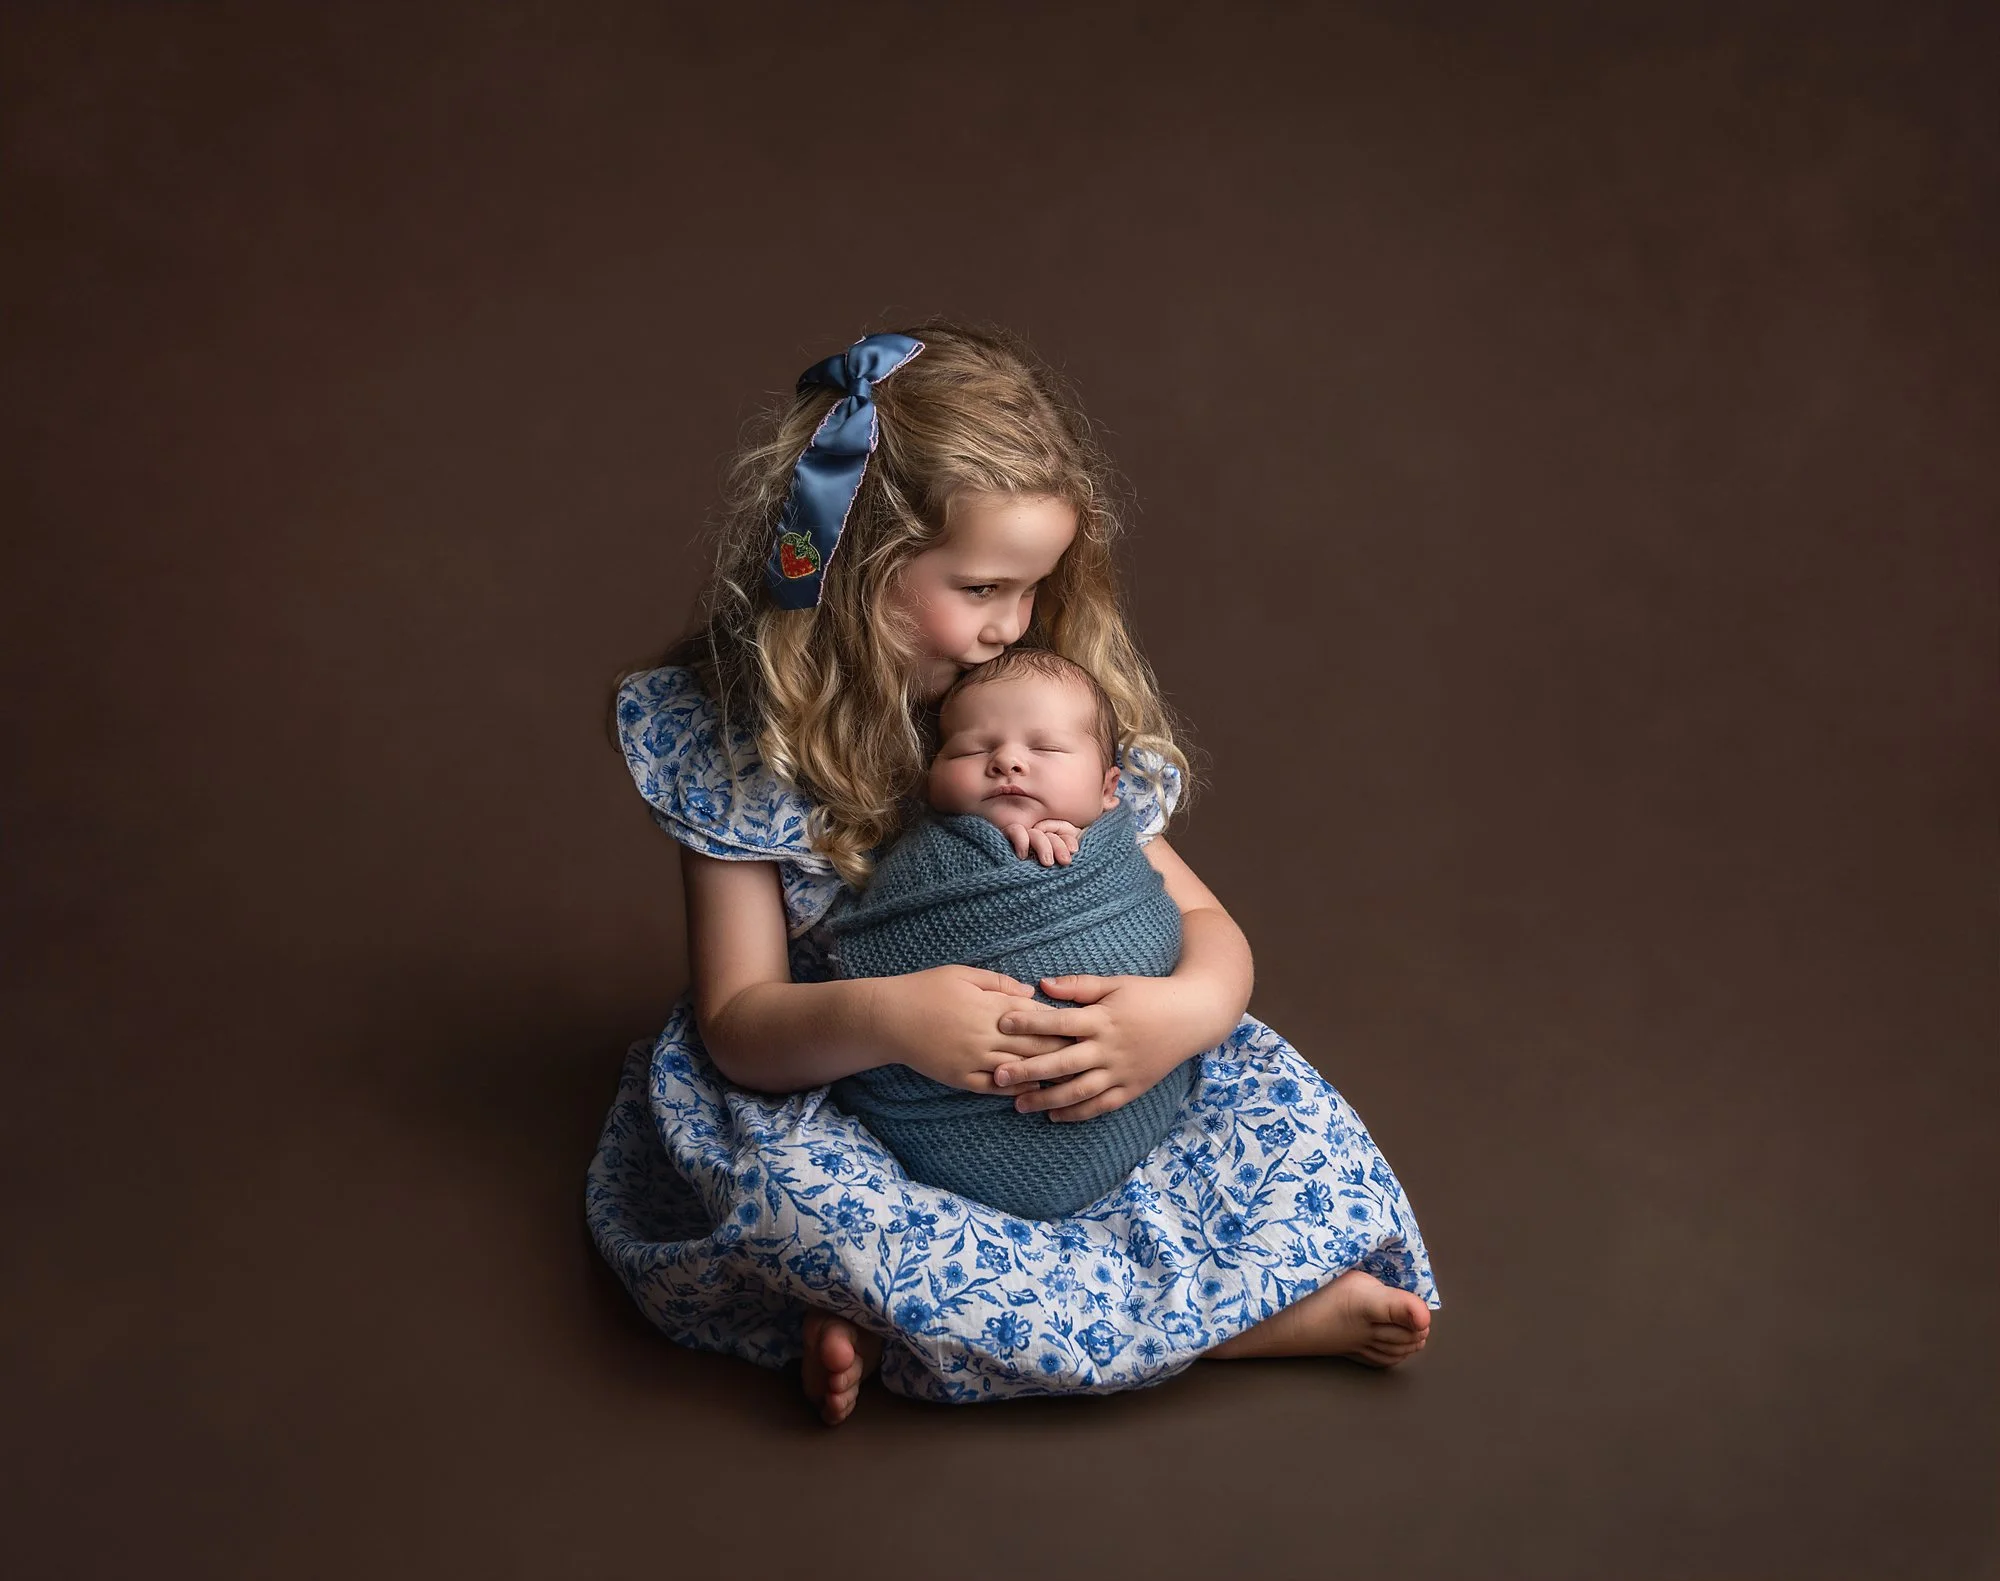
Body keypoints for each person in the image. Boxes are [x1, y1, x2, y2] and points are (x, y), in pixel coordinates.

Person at [585, 321, 1440, 1423]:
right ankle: (1202, 1329)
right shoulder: (744, 746)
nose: (1008, 628)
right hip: (848, 1083)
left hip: (1081, 1070)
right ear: (854, 567)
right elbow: (741, 1026)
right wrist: (895, 1021)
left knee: (1260, 1132)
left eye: (1032, 589)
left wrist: (1179, 1012)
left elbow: (1205, 922)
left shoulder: (1027, 708)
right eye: (983, 587)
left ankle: (922, 1322)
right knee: (800, 1208)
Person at [825, 649, 1197, 1221]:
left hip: (1131, 1130)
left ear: (1108, 788)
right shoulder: (924, 855)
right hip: (927, 1164)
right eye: (973, 749)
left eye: (1044, 748)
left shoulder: (1119, 843)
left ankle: (1307, 1300)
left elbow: (1163, 930)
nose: (1007, 763)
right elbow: (875, 957)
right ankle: (866, 1308)